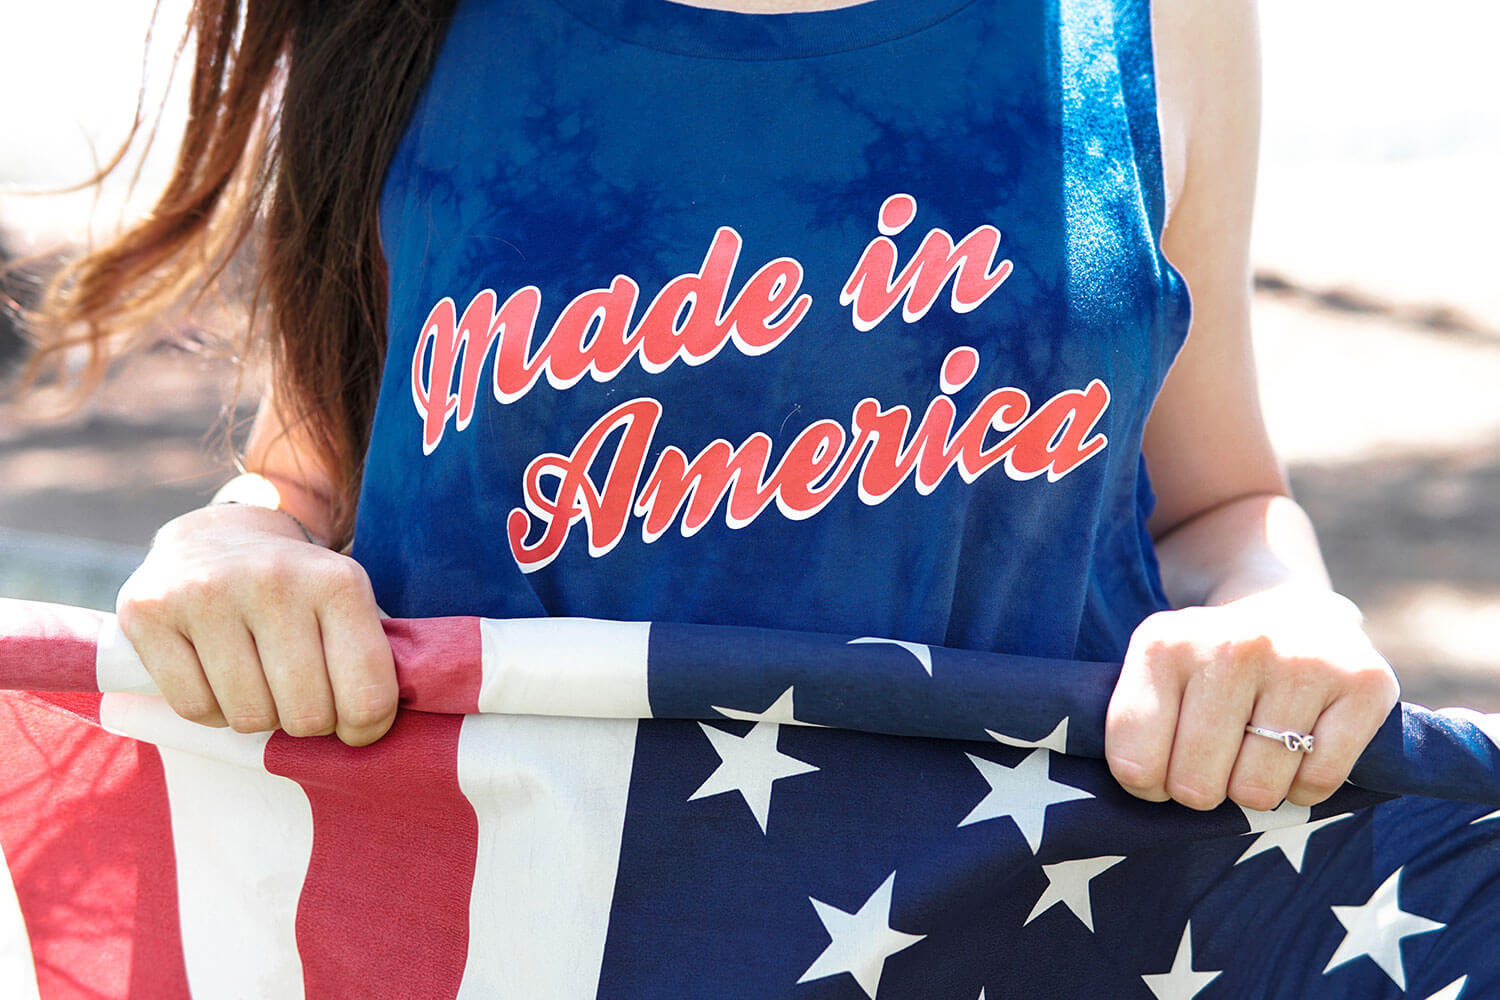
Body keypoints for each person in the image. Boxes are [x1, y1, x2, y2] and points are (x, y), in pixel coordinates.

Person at [27, 0, 1397, 823]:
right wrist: (229, 546)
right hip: (501, 924)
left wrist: (1279, 614)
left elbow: (1220, 505)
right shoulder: (395, 21)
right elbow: (310, 482)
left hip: (1023, 926)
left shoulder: (1152, 21)